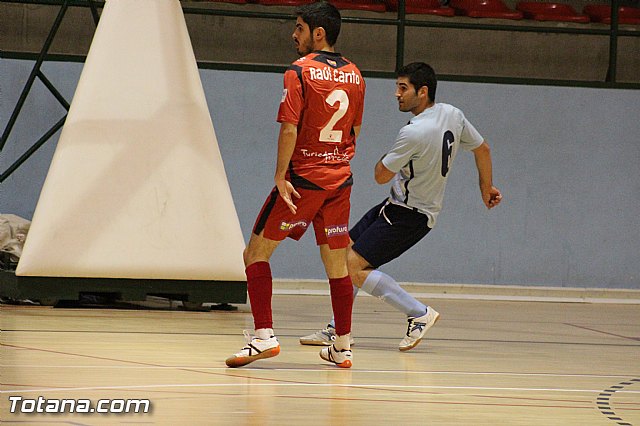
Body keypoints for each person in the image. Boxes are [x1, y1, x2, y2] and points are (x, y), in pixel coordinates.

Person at [300, 62, 502, 351]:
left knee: (353, 267)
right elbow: (482, 149)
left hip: (410, 215)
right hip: (396, 206)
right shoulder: (452, 114)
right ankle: (338, 327)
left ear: (423, 91)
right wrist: (486, 188)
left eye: (403, 88)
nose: (396, 94)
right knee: (345, 253)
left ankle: (418, 313)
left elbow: (380, 175)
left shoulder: (413, 132)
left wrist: (391, 156)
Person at [225, 1, 366, 368]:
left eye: (300, 28)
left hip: (303, 180)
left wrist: (280, 176)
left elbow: (289, 127)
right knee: (337, 264)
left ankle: (263, 337)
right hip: (340, 181)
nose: (294, 34)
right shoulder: (356, 75)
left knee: (254, 253)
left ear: (319, 33)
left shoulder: (298, 72)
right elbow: (355, 131)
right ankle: (343, 346)